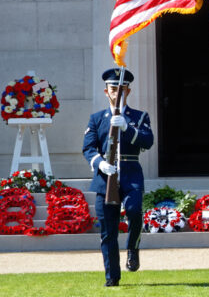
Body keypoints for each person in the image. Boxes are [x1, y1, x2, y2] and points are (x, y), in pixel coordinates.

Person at [82, 67, 154, 287]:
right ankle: (112, 277)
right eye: (113, 88)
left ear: (128, 91)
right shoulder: (97, 119)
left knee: (134, 211)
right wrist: (101, 164)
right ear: (106, 92)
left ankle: (133, 247)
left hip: (131, 175)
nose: (117, 92)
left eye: (121, 88)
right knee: (108, 231)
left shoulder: (139, 117)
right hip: (106, 179)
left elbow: (148, 141)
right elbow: (88, 148)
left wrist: (127, 128)